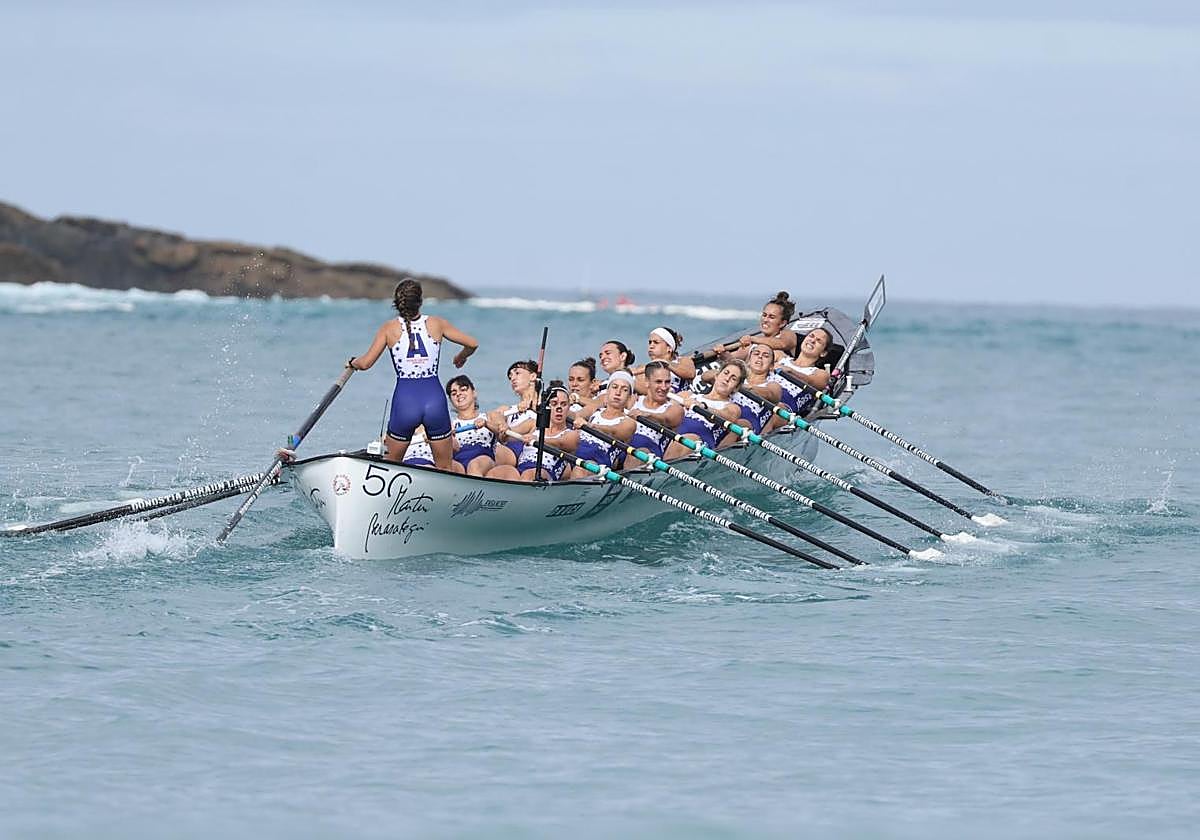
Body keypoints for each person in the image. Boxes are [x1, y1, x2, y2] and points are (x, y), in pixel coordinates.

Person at [347, 278, 478, 469]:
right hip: (434, 400)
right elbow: (472, 343)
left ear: (397, 303)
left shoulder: (388, 328)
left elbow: (365, 363)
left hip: (405, 401)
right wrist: (461, 356)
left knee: (389, 468)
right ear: (420, 301)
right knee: (445, 469)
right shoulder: (436, 323)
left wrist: (352, 362)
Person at [486, 383, 578, 482]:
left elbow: (561, 443)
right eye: (554, 404)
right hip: (521, 470)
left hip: (545, 472)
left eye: (563, 404)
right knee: (498, 472)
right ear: (546, 407)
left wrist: (539, 440)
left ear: (569, 407)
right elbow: (506, 436)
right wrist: (491, 425)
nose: (559, 408)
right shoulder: (533, 424)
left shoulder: (571, 433)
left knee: (529, 474)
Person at [662, 360, 748, 459]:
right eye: (725, 373)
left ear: (736, 388)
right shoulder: (687, 395)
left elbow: (727, 416)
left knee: (689, 439)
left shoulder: (732, 407)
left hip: (701, 445)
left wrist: (702, 407)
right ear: (716, 376)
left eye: (733, 379)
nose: (727, 379)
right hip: (672, 439)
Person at [766, 326, 837, 431]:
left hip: (783, 410)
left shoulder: (820, 373)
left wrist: (790, 371)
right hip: (758, 394)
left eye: (818, 341)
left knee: (774, 408)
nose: (812, 340)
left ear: (823, 353)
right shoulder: (779, 356)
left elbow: (810, 381)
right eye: (811, 336)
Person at [569, 370, 637, 478]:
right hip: (573, 456)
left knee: (581, 470)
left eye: (624, 390)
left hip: (597, 463)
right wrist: (555, 404)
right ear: (607, 392)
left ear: (629, 398)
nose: (618, 392)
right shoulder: (594, 410)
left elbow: (615, 431)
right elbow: (572, 415)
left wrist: (590, 426)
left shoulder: (629, 422)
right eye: (614, 387)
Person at [713, 291, 799, 360]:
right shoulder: (752, 345)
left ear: (782, 323)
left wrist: (753, 339)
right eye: (764, 315)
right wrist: (722, 353)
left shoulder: (787, 334)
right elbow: (733, 359)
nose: (765, 320)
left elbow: (782, 344)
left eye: (771, 317)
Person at [626, 360, 685, 462]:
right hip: (624, 448)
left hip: (648, 453)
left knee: (641, 451)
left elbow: (666, 418)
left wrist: (647, 415)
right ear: (647, 382)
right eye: (658, 382)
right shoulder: (633, 400)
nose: (663, 387)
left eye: (667, 382)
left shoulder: (674, 408)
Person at [488, 359, 540, 467]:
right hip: (506, 450)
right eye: (510, 376)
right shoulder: (509, 409)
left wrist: (534, 405)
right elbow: (492, 414)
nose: (513, 378)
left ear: (533, 376)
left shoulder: (547, 405)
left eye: (517, 373)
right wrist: (503, 423)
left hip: (526, 453)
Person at [726, 342, 782, 436]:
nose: (760, 357)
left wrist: (743, 386)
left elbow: (772, 394)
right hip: (723, 416)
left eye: (766, 356)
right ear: (748, 360)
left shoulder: (772, 384)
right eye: (756, 354)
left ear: (771, 366)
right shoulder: (735, 376)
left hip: (747, 427)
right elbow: (706, 376)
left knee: (740, 423)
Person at [446, 375, 498, 476]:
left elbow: (503, 435)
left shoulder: (488, 416)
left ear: (474, 393)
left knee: (474, 466)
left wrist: (486, 424)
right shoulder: (450, 424)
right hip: (458, 461)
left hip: (483, 458)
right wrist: (448, 437)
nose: (458, 394)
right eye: (454, 393)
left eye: (463, 389)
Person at [632, 326, 695, 394]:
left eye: (656, 342)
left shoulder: (682, 361)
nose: (651, 346)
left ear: (669, 348)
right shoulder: (642, 369)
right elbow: (645, 390)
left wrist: (663, 362)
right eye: (650, 342)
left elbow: (690, 374)